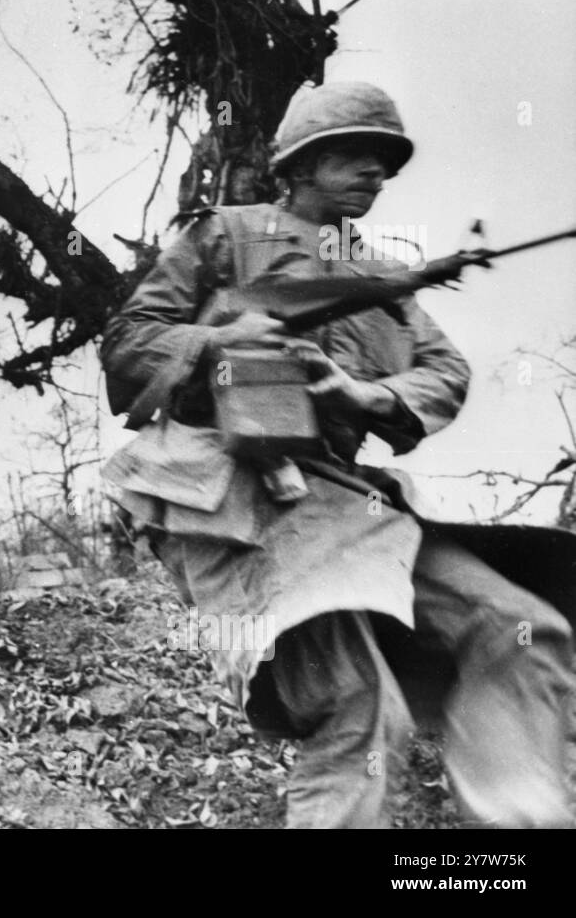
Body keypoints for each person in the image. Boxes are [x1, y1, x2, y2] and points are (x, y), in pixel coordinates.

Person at [100, 81, 574, 828]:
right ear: (301, 163)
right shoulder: (225, 235)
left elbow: (444, 371)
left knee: (521, 626)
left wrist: (363, 394)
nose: (375, 174)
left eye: (385, 163)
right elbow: (128, 345)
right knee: (358, 704)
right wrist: (221, 342)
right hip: (236, 498)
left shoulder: (387, 282)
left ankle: (520, 834)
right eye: (355, 155)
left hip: (353, 505)